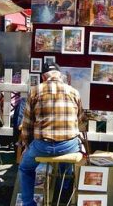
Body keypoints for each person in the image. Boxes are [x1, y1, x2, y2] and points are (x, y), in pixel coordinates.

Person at [18, 61, 84, 206]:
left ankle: (28, 203)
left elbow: (27, 126)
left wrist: (28, 146)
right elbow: (80, 121)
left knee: (25, 168)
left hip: (43, 146)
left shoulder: (35, 91)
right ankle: (64, 191)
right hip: (68, 145)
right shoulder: (73, 92)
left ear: (43, 77)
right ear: (60, 76)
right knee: (66, 164)